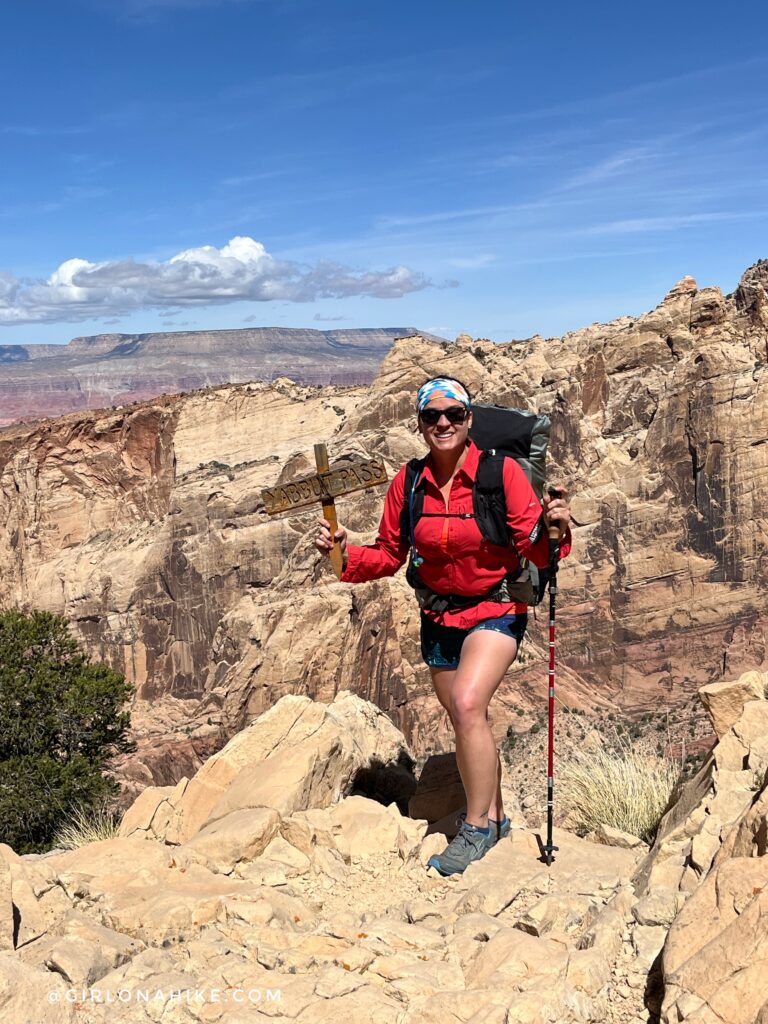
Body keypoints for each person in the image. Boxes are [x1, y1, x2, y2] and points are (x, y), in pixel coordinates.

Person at [315, 376, 571, 876]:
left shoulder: (501, 476)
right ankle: (494, 817)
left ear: (469, 420)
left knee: (468, 704)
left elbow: (535, 549)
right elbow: (389, 555)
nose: (444, 424)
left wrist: (555, 528)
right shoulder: (408, 483)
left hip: (496, 608)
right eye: (432, 417)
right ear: (420, 425)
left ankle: (474, 829)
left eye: (454, 414)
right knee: (466, 720)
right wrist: (342, 553)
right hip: (437, 615)